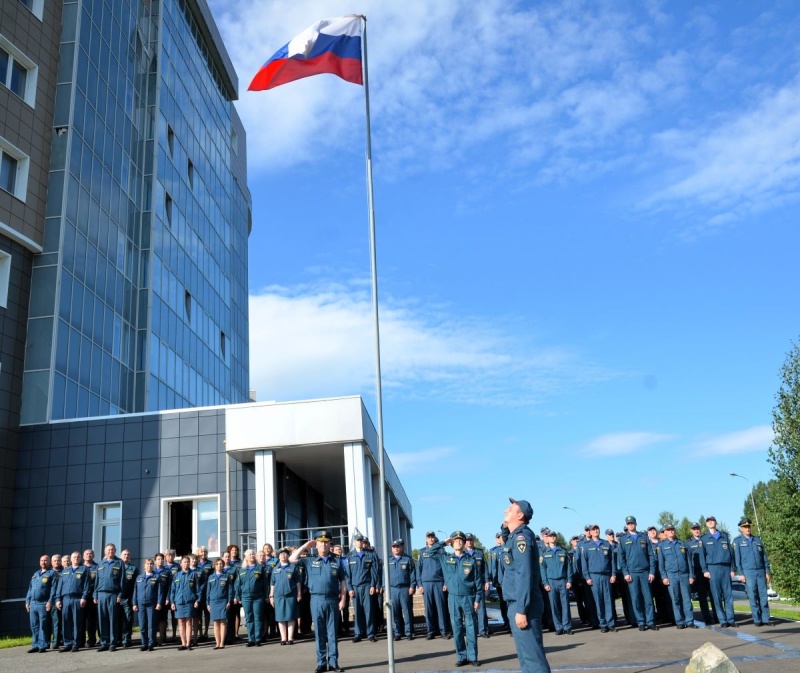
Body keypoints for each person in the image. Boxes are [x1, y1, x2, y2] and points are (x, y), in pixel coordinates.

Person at [501, 498, 552, 673]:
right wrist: (505, 526)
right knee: (526, 658)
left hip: (524, 605)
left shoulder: (522, 537)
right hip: (517, 602)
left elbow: (524, 574)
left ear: (520, 515)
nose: (507, 508)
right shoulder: (514, 536)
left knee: (533, 660)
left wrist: (521, 609)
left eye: (512, 507)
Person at [290, 531, 348, 673]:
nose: (323, 545)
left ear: (330, 545)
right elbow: (292, 559)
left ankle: (333, 663)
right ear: (316, 545)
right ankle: (321, 662)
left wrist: (343, 599)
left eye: (326, 542)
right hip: (316, 600)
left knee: (332, 633)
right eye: (320, 543)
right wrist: (305, 546)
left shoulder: (337, 562)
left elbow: (343, 581)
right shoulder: (309, 560)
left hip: (333, 600)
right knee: (320, 633)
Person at [428, 530, 481, 667]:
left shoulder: (471, 561)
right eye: (455, 540)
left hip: (469, 597)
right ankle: (461, 656)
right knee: (456, 628)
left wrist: (478, 598)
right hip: (453, 597)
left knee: (471, 627)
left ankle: (473, 656)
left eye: (460, 540)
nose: (458, 542)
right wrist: (444, 542)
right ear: (452, 544)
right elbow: (430, 552)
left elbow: (478, 581)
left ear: (464, 543)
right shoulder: (446, 558)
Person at [618, 515, 656, 631]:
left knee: (648, 599)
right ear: (626, 525)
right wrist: (625, 573)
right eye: (629, 523)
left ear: (636, 524)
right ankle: (641, 622)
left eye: (632, 523)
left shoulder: (644, 537)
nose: (631, 525)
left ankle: (650, 622)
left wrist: (652, 572)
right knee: (636, 599)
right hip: (632, 573)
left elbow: (651, 556)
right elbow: (622, 558)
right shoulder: (623, 539)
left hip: (645, 572)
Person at [732, 517, 773, 627]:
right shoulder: (738, 542)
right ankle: (757, 620)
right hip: (748, 572)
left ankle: (766, 619)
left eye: (749, 526)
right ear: (741, 528)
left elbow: (764, 558)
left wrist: (767, 571)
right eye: (745, 527)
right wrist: (741, 574)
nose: (747, 529)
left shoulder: (757, 540)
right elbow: (737, 560)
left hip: (760, 571)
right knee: (753, 596)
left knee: (763, 596)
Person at [577, 524, 616, 633]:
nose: (596, 531)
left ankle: (611, 623)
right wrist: (587, 577)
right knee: (598, 602)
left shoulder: (606, 544)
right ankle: (602, 624)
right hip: (594, 577)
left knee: (608, 601)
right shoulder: (586, 546)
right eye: (593, 529)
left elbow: (612, 561)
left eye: (597, 529)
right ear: (590, 532)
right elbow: (584, 563)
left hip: (606, 576)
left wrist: (613, 574)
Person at [657, 524, 696, 629]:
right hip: (671, 575)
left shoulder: (682, 544)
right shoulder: (661, 546)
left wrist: (691, 575)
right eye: (668, 530)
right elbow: (661, 564)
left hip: (684, 575)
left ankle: (690, 621)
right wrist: (664, 577)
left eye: (672, 529)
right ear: (665, 532)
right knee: (676, 599)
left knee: (687, 599)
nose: (671, 531)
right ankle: (679, 621)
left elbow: (689, 561)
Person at [700, 515, 736, 627]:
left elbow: (731, 554)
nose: (711, 523)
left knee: (728, 595)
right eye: (708, 521)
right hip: (712, 568)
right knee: (716, 596)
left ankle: (730, 619)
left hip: (725, 568)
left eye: (712, 521)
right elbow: (702, 556)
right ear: (706, 524)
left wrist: (732, 568)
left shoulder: (724, 536)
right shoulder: (704, 538)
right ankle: (722, 620)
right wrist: (705, 570)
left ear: (716, 522)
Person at [417, 531, 452, 640]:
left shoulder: (441, 551)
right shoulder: (422, 552)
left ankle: (443, 631)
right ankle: (431, 631)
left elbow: (446, 568)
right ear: (426, 539)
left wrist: (446, 582)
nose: (431, 539)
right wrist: (420, 584)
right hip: (426, 583)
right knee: (429, 608)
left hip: (439, 582)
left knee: (441, 607)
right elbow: (419, 569)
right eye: (429, 537)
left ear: (435, 538)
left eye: (432, 537)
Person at [345, 534, 379, 643]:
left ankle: (370, 633)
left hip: (367, 586)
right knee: (357, 611)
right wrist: (349, 588)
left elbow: (374, 572)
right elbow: (347, 575)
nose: (359, 542)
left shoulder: (370, 555)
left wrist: (373, 585)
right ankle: (358, 633)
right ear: (354, 542)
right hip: (355, 587)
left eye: (361, 540)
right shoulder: (350, 556)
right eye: (358, 540)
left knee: (369, 611)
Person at [540, 530, 573, 635]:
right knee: (554, 606)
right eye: (550, 536)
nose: (553, 537)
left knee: (565, 605)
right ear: (547, 539)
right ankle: (558, 627)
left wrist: (569, 580)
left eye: (554, 535)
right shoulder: (544, 553)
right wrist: (545, 583)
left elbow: (568, 567)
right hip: (551, 582)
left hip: (563, 581)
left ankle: (567, 626)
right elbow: (543, 569)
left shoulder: (563, 551)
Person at [55, 551, 89, 652]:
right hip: (65, 599)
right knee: (66, 622)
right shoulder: (65, 570)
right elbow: (59, 586)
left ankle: (76, 643)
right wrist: (57, 599)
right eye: (74, 557)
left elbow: (86, 585)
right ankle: (67, 643)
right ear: (71, 559)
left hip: (77, 599)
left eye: (78, 557)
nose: (76, 559)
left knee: (76, 622)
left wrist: (84, 597)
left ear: (80, 559)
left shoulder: (84, 569)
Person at [236, 548, 269, 646]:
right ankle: (251, 639)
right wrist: (238, 597)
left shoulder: (260, 568)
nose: (251, 556)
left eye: (253, 554)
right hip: (246, 597)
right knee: (249, 618)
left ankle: (258, 639)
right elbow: (238, 584)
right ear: (245, 557)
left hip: (258, 597)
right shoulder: (241, 570)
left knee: (258, 618)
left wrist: (266, 595)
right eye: (249, 555)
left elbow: (265, 584)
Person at [94, 543, 124, 652]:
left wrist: (120, 595)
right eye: (108, 550)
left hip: (113, 594)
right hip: (101, 594)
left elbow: (122, 581)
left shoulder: (119, 563)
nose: (110, 551)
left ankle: (112, 643)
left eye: (112, 550)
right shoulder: (100, 563)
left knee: (113, 619)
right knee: (102, 620)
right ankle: (104, 642)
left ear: (115, 551)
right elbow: (97, 581)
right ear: (105, 551)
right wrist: (95, 595)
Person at [270, 546, 302, 645]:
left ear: (288, 555)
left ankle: (290, 637)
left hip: (291, 595)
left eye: (285, 554)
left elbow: (298, 582)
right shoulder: (275, 568)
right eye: (281, 554)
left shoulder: (293, 567)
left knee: (291, 617)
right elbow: (272, 583)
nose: (283, 555)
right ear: (278, 556)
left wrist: (299, 594)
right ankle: (283, 638)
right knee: (280, 617)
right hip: (278, 596)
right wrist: (271, 596)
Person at [387, 539, 417, 640]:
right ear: (392, 548)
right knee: (395, 612)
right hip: (393, 589)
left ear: (401, 547)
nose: (396, 548)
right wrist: (385, 588)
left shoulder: (407, 559)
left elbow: (412, 574)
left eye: (398, 546)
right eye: (394, 547)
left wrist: (412, 586)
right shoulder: (389, 560)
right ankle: (398, 632)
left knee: (407, 611)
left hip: (405, 588)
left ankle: (408, 632)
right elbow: (384, 576)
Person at [25, 554, 56, 654]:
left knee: (43, 625)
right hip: (33, 603)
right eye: (42, 560)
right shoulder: (36, 574)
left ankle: (43, 645)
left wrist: (50, 601)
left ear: (49, 562)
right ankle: (35, 645)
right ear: (39, 562)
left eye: (46, 560)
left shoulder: (52, 573)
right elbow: (30, 589)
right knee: (34, 625)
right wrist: (27, 601)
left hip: (43, 603)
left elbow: (53, 589)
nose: (43, 562)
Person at [687, 523, 717, 624]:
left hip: (710, 570)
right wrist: (692, 574)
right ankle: (707, 617)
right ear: (691, 531)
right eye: (694, 529)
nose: (696, 530)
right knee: (702, 596)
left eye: (698, 528)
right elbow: (689, 561)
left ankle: (717, 615)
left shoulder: (706, 539)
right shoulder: (689, 543)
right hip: (698, 572)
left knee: (714, 595)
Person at [132, 557, 163, 651]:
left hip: (151, 604)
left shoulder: (156, 576)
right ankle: (144, 643)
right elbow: (135, 591)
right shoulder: (139, 577)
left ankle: (151, 643)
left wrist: (159, 602)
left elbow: (160, 591)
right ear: (144, 566)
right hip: (141, 604)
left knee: (151, 625)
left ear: (153, 565)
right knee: (142, 625)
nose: (149, 566)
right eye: (147, 564)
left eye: (151, 564)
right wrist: (134, 603)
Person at [170, 555, 200, 650]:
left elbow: (198, 589)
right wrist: (172, 602)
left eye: (188, 562)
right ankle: (183, 643)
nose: (186, 563)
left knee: (188, 623)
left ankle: (188, 643)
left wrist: (197, 600)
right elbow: (173, 590)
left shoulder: (193, 574)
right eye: (185, 562)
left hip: (189, 601)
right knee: (181, 623)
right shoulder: (176, 575)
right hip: (179, 602)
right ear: (181, 564)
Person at [464, 533, 490, 638]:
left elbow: (485, 568)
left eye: (471, 539)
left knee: (481, 607)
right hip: (467, 584)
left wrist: (487, 581)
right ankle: (471, 631)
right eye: (467, 540)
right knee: (468, 608)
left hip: (479, 583)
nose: (469, 541)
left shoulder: (479, 553)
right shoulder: (462, 553)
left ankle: (483, 630)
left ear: (473, 541)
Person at [206, 557, 233, 649]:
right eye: (217, 564)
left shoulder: (226, 576)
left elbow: (230, 590)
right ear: (214, 565)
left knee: (223, 622)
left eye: (221, 564)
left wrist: (229, 601)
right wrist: (208, 603)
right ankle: (217, 643)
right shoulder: (210, 577)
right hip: (213, 602)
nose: (219, 565)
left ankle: (222, 642)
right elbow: (208, 592)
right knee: (216, 623)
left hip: (223, 601)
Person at [487, 532, 511, 633]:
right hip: (499, 582)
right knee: (503, 603)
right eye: (497, 537)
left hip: (508, 581)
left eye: (501, 537)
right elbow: (492, 567)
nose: (499, 539)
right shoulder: (493, 551)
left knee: (510, 602)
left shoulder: (508, 548)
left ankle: (511, 625)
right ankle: (506, 622)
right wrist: (492, 579)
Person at [119, 549, 138, 647]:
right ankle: (118, 639)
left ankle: (127, 639)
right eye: (124, 554)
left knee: (128, 619)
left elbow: (136, 585)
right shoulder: (116, 567)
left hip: (128, 598)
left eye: (128, 555)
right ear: (121, 556)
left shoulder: (134, 568)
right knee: (117, 619)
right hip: (117, 598)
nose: (126, 556)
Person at [79, 548, 98, 648]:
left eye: (91, 554)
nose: (88, 555)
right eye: (86, 554)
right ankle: (81, 641)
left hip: (92, 598)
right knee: (81, 620)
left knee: (91, 621)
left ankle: (91, 641)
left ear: (93, 556)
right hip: (81, 597)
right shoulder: (79, 567)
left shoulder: (97, 567)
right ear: (83, 556)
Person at [48, 554, 63, 650]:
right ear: (51, 562)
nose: (57, 562)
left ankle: (58, 641)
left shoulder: (64, 572)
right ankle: (50, 641)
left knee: (59, 621)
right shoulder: (48, 573)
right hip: (49, 601)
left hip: (60, 600)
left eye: (58, 560)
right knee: (51, 622)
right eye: (55, 560)